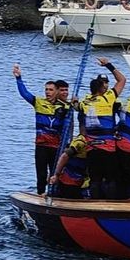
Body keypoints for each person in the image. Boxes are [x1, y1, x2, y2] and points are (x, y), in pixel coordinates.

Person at [78, 57, 126, 199]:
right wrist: (108, 65)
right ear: (101, 89)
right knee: (111, 178)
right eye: (104, 85)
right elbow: (122, 80)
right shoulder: (108, 98)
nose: (106, 87)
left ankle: (95, 203)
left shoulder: (84, 102)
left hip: (92, 147)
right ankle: (110, 204)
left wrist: (74, 101)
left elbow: (78, 112)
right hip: (108, 147)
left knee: (95, 179)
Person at [13, 64, 63, 195]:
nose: (47, 92)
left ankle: (54, 195)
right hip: (41, 145)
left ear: (57, 91)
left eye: (51, 90)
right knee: (41, 174)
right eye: (46, 89)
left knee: (55, 174)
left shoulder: (64, 107)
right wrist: (19, 78)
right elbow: (24, 94)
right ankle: (40, 194)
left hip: (56, 146)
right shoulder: (39, 102)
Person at [48, 134, 89, 199]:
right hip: (70, 180)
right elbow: (64, 156)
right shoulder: (80, 142)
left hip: (84, 180)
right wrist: (56, 175)